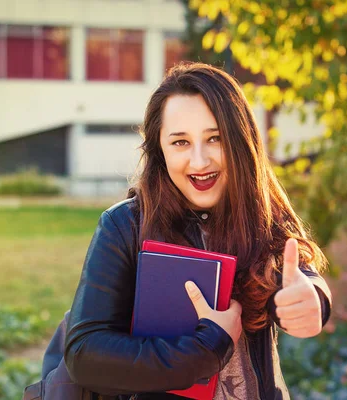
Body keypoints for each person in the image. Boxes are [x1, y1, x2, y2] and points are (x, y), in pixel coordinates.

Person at [63, 62, 332, 400]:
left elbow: (300, 279)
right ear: (158, 148)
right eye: (180, 143)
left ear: (240, 141)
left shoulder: (263, 216)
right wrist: (206, 348)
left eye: (215, 138)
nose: (200, 161)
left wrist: (314, 299)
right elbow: (84, 355)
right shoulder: (124, 226)